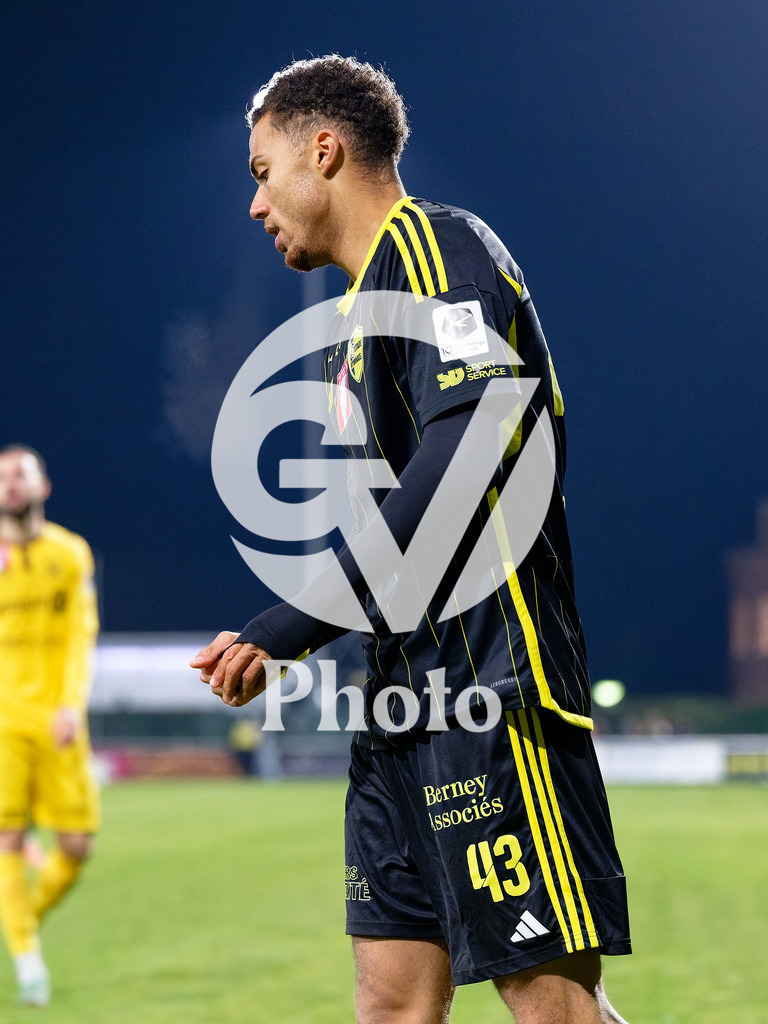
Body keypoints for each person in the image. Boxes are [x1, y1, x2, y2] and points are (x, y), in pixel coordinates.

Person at [192, 56, 631, 1023]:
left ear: (325, 149)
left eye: (262, 173)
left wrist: (286, 625)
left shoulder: (435, 246)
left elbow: (467, 450)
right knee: (391, 1001)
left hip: (493, 690)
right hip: (402, 702)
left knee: (549, 999)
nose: (255, 204)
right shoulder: (362, 315)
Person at [0, 445, 100, 1007]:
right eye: (1, 478)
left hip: (59, 718)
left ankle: (21, 923)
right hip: (3, 721)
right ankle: (27, 962)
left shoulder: (70, 553)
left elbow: (80, 636)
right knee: (7, 839)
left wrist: (70, 703)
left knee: (77, 846)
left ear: (44, 486)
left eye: (21, 475)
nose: (10, 485)